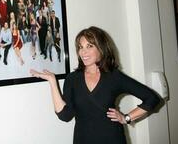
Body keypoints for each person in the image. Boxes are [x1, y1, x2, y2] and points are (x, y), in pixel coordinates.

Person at [30, 26, 161, 144]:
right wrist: (53, 82)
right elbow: (65, 115)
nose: (83, 52)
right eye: (80, 47)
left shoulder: (114, 76)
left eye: (89, 46)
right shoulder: (72, 79)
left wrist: (126, 118)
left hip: (112, 138)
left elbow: (152, 99)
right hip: (83, 139)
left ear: (101, 48)